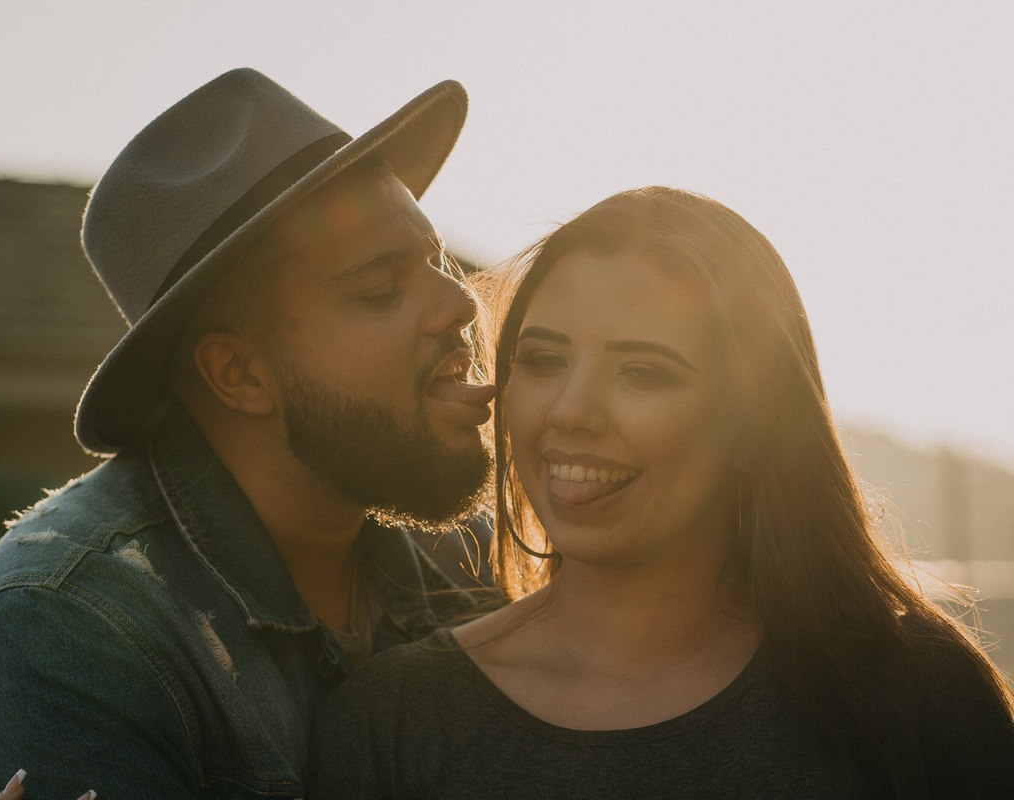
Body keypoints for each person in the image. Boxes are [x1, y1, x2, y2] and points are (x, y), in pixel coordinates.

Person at [310, 187, 1014, 798]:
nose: (570, 412)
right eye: (543, 360)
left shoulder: (916, 694)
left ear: (753, 421)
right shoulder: (394, 720)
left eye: (642, 372)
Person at [0, 68, 499, 800]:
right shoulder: (64, 629)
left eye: (436, 261)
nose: (458, 302)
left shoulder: (477, 563)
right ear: (238, 373)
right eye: (380, 289)